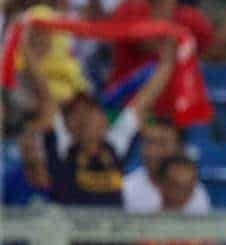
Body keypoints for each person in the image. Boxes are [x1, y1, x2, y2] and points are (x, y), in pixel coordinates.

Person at [26, 38, 177, 206]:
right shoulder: (64, 147)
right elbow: (45, 97)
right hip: (70, 230)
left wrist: (166, 64)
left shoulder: (114, 145)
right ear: (72, 125)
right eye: (80, 116)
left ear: (104, 122)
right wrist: (28, 53)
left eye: (93, 115)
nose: (88, 120)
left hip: (112, 231)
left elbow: (142, 103)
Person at [123, 119, 212, 214]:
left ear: (179, 147)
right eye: (149, 142)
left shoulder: (195, 191)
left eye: (162, 143)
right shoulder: (126, 188)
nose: (153, 151)